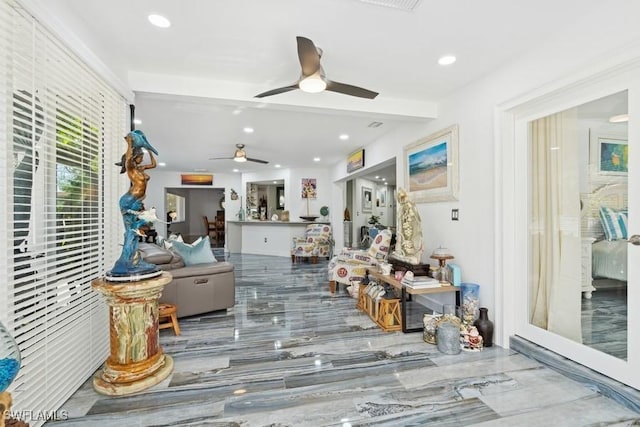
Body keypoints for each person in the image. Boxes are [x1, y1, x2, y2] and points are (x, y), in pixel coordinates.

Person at [392, 187, 424, 265]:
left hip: (410, 247)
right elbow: (400, 232)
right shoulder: (402, 213)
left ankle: (408, 254)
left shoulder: (412, 213)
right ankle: (403, 254)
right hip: (403, 247)